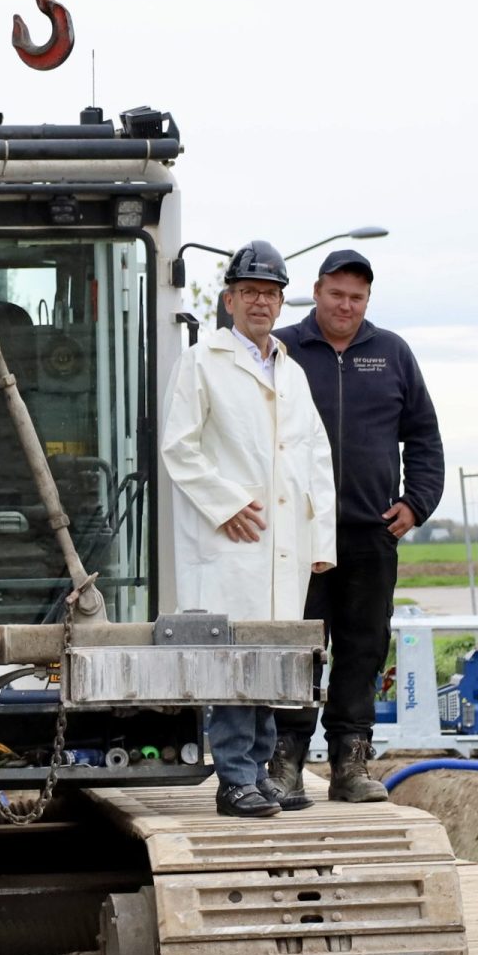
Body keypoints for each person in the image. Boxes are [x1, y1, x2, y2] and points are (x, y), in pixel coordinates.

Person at [161, 241, 336, 818]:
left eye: (271, 293)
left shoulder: (290, 370)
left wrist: (320, 542)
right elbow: (179, 448)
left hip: (283, 546)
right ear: (229, 299)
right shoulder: (202, 360)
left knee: (269, 661)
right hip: (231, 540)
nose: (261, 302)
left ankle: (259, 774)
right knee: (234, 658)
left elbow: (315, 458)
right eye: (251, 292)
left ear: (282, 302)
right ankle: (234, 777)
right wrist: (225, 505)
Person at [270, 250, 444, 803]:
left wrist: (416, 502)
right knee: (295, 645)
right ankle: (286, 761)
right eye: (336, 294)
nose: (345, 306)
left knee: (363, 646)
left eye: (357, 297)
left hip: (371, 533)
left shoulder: (392, 353)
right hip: (298, 533)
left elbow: (423, 436)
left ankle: (350, 761)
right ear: (316, 292)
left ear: (367, 301)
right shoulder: (284, 349)